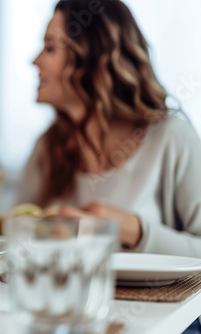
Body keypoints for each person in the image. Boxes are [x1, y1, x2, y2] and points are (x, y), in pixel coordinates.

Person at [17, 0, 201, 259]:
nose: (35, 61)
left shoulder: (171, 137)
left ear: (93, 56)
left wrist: (134, 230)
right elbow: (16, 238)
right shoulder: (48, 146)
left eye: (50, 48)